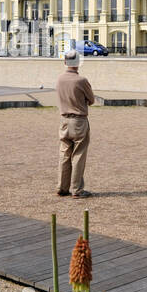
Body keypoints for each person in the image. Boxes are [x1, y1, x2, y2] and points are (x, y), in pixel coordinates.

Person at [55, 49, 95, 198]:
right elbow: (91, 100)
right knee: (78, 155)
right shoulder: (81, 81)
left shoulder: (59, 79)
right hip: (79, 121)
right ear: (78, 63)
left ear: (65, 62)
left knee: (64, 154)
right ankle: (77, 189)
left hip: (64, 120)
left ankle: (62, 187)